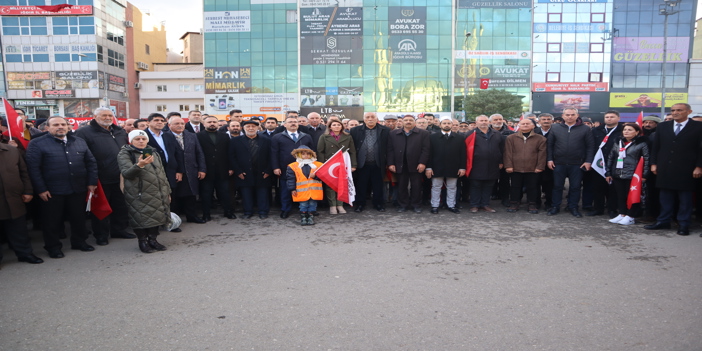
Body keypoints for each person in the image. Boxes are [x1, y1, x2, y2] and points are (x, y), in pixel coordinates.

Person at [25, 116, 98, 258]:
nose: (60, 127)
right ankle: (53, 247)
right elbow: (33, 169)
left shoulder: (79, 141)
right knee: (52, 221)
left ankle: (79, 242)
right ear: (48, 127)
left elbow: (91, 163)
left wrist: (91, 182)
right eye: (56, 124)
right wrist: (41, 189)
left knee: (78, 218)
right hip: (52, 191)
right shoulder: (37, 143)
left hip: (77, 188)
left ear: (68, 126)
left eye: (63, 124)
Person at [74, 107, 134, 245]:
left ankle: (119, 230)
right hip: (100, 177)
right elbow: (81, 155)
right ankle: (101, 235)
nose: (107, 118)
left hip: (121, 177)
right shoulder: (84, 132)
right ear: (95, 116)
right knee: (101, 208)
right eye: (104, 115)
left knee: (121, 206)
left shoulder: (119, 131)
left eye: (109, 115)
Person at [645, 103, 702, 236]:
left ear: (689, 111)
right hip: (665, 167)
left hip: (687, 168)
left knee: (685, 199)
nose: (675, 112)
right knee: (665, 197)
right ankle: (663, 221)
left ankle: (684, 224)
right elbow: (656, 147)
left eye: (679, 110)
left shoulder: (698, 127)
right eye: (673, 110)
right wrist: (653, 164)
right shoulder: (663, 126)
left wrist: (699, 166)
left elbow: (701, 149)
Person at [117, 130, 171, 253]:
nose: (141, 141)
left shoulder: (153, 152)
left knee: (157, 216)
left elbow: (162, 173)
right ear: (131, 140)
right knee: (140, 218)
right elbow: (126, 173)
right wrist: (139, 165)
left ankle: (153, 240)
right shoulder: (125, 153)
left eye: (143, 138)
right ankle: (143, 241)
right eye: (137, 139)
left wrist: (167, 191)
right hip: (138, 192)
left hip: (158, 191)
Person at [0, 142, 43, 265]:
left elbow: (24, 173)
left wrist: (28, 191)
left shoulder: (12, 150)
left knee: (19, 229)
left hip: (14, 198)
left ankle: (25, 254)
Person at [547, 108, 595, 218]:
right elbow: (549, 145)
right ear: (563, 115)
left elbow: (590, 146)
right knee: (557, 186)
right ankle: (555, 206)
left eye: (572, 114)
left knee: (575, 187)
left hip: (577, 163)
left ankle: (573, 207)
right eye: (567, 114)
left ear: (577, 115)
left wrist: (588, 161)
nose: (570, 117)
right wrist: (549, 159)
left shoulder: (585, 129)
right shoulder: (555, 128)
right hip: (559, 163)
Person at [605, 123, 649, 226]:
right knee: (620, 195)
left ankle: (631, 216)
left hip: (634, 175)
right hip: (618, 173)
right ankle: (622, 213)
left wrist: (644, 175)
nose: (626, 132)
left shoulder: (642, 143)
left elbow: (646, 159)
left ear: (637, 132)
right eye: (625, 130)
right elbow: (611, 157)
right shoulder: (618, 142)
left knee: (633, 196)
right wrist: (608, 172)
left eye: (630, 130)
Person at [271, 115, 315, 218]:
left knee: (305, 189)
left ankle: (307, 209)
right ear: (285, 124)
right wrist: (275, 167)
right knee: (286, 190)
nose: (293, 123)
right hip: (285, 168)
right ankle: (285, 209)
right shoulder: (277, 137)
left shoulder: (306, 136)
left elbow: (312, 152)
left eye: (295, 122)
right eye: (290, 122)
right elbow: (274, 153)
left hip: (304, 169)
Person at [229, 120, 273, 219]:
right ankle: (248, 212)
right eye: (248, 126)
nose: (251, 128)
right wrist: (238, 171)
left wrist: (268, 170)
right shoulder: (235, 141)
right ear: (243, 128)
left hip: (262, 172)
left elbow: (272, 156)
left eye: (253, 126)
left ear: (258, 128)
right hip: (244, 172)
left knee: (263, 193)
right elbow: (232, 157)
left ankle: (263, 211)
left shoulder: (266, 140)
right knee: (246, 193)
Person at [387, 115, 430, 213]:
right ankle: (403, 205)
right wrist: (391, 163)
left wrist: (422, 163)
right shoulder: (393, 134)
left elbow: (426, 150)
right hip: (400, 163)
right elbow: (390, 150)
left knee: (417, 186)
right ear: (402, 122)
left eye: (410, 120)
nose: (408, 122)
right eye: (406, 120)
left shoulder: (423, 133)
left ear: (414, 122)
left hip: (416, 164)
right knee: (402, 186)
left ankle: (416, 205)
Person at [168, 116, 207, 224]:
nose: (180, 125)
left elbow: (199, 153)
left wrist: (202, 169)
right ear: (169, 125)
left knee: (190, 195)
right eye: (176, 124)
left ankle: (192, 216)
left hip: (191, 170)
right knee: (174, 196)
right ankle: (174, 220)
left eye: (182, 123)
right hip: (174, 171)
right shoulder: (166, 136)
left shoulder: (192, 136)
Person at [503, 118, 547, 214]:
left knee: (533, 187)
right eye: (523, 124)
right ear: (519, 125)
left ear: (533, 126)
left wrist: (540, 166)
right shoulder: (511, 138)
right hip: (515, 168)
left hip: (533, 168)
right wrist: (508, 166)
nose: (525, 125)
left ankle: (532, 204)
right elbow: (508, 153)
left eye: (528, 124)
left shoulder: (540, 139)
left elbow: (542, 154)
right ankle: (514, 203)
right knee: (515, 187)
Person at [350, 112, 390, 212]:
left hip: (378, 163)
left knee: (378, 185)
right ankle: (360, 204)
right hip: (361, 163)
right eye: (367, 117)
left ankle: (378, 204)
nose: (370, 119)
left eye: (373, 117)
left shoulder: (385, 130)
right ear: (364, 119)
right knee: (361, 185)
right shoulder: (355, 130)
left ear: (377, 119)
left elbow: (389, 148)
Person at [197, 115, 235, 220]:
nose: (212, 124)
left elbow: (229, 153)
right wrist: (200, 169)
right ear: (204, 124)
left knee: (225, 193)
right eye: (209, 122)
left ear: (218, 123)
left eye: (214, 122)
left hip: (222, 170)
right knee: (206, 194)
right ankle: (206, 214)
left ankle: (228, 212)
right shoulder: (198, 136)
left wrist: (231, 167)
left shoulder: (225, 136)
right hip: (206, 171)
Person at [316, 119, 357, 214]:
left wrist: (354, 165)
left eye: (338, 125)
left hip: (343, 164)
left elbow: (353, 151)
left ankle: (340, 205)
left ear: (342, 126)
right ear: (330, 127)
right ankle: (332, 206)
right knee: (330, 185)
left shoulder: (348, 136)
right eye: (334, 125)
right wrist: (322, 165)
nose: (336, 126)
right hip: (329, 165)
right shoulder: (324, 136)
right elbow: (320, 151)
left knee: (342, 184)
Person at [426, 118, 466, 214]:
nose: (446, 125)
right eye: (444, 123)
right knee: (436, 187)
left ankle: (451, 205)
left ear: (452, 125)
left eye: (449, 123)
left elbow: (463, 154)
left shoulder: (459, 138)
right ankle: (435, 205)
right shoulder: (433, 137)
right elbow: (429, 154)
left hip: (453, 166)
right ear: (440, 125)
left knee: (452, 187)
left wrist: (462, 167)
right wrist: (429, 167)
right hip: (436, 166)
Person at [587, 110, 622, 218]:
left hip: (616, 162)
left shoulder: (622, 130)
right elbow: (591, 146)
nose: (609, 119)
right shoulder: (596, 130)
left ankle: (612, 209)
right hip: (598, 162)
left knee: (613, 188)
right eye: (607, 117)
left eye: (612, 117)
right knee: (598, 187)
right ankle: (598, 208)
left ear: (618, 118)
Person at [466, 115, 504, 213]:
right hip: (476, 164)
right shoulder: (470, 134)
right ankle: (474, 205)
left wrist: (501, 161)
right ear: (476, 122)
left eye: (485, 120)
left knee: (489, 185)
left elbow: (501, 149)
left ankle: (485, 204)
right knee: (475, 185)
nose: (483, 122)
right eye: (481, 120)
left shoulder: (497, 134)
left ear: (489, 122)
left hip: (493, 164)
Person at [286, 146, 323, 225]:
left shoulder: (318, 165)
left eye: (308, 154)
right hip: (301, 191)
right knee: (303, 205)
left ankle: (310, 217)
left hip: (314, 191)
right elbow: (290, 179)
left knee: (313, 204)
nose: (306, 155)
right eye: (303, 154)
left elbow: (324, 176)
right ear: (298, 155)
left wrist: (315, 176)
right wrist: (292, 189)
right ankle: (303, 217)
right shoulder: (293, 166)